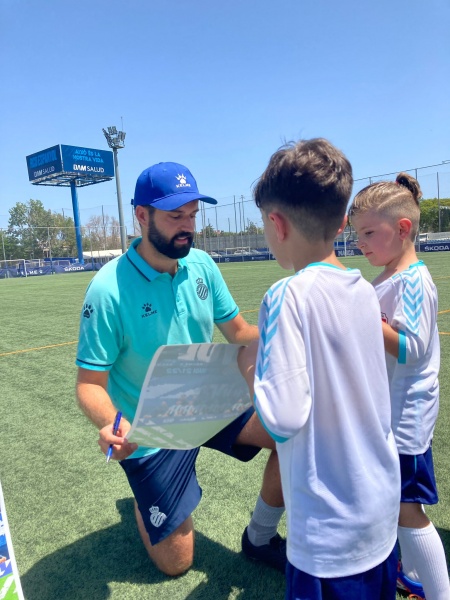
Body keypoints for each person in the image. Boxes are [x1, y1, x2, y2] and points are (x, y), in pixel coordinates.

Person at [75, 161, 285, 577]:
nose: (187, 226)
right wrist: (114, 424)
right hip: (150, 427)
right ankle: (144, 495)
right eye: (175, 216)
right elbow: (89, 385)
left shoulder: (202, 265)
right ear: (142, 215)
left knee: (290, 431)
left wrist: (296, 338)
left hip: (209, 399)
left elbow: (239, 331)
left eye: (192, 214)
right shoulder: (107, 289)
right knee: (177, 564)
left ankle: (259, 535)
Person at [237, 139, 401, 600]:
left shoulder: (286, 296)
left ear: (276, 223)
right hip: (378, 510)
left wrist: (251, 367)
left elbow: (283, 417)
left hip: (329, 536)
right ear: (344, 221)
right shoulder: (363, 291)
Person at [350, 173, 450, 600]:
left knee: (409, 510)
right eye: (358, 235)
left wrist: (362, 316)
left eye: (369, 232)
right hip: (389, 414)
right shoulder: (391, 276)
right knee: (394, 506)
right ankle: (410, 574)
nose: (361, 243)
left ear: (404, 228)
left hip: (406, 420)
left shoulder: (411, 281)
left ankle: (438, 591)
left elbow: (411, 348)